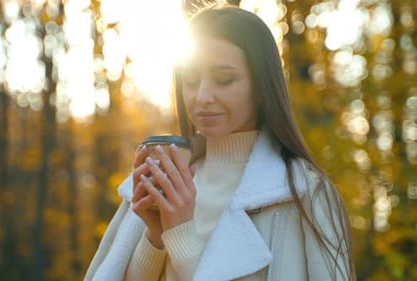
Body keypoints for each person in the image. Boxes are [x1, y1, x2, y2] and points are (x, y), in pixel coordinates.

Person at [84, 5, 355, 281]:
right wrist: (155, 237)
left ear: (263, 87)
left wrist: (181, 237)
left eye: (224, 80)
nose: (202, 96)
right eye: (190, 80)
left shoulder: (304, 194)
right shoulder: (164, 180)